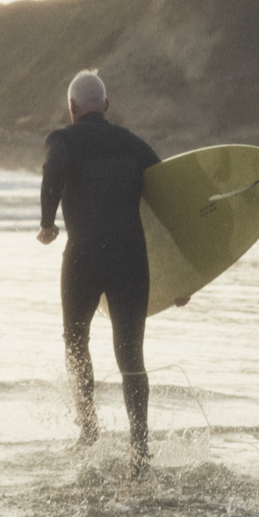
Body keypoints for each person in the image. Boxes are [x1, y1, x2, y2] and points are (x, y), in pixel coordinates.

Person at [37, 70, 161, 475]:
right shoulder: (132, 143)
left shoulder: (64, 138)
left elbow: (53, 170)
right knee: (131, 354)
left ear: (72, 109)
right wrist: (185, 275)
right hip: (130, 256)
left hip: (86, 256)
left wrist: (47, 222)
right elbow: (167, 194)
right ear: (105, 107)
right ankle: (140, 445)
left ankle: (88, 431)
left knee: (76, 341)